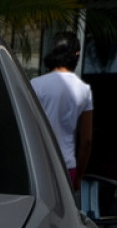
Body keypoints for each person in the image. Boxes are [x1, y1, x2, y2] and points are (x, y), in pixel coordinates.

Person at [31, 32, 93, 189]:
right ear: (77, 55)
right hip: (67, 166)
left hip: (38, 164)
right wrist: (79, 177)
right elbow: (86, 140)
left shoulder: (35, 85)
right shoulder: (84, 90)